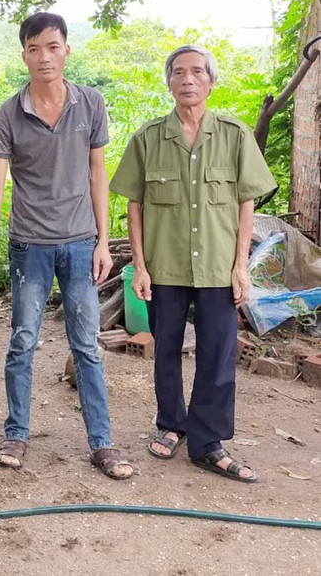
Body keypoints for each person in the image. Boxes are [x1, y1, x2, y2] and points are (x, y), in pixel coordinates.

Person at [0, 12, 132, 480]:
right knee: (22, 341)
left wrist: (101, 241)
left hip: (79, 244)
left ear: (66, 51)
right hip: (28, 246)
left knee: (87, 344)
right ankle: (17, 432)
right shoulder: (8, 114)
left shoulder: (90, 104)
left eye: (52, 47)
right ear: (24, 55)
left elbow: (99, 173)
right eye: (34, 49)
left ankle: (103, 442)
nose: (44, 57)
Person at [110, 44, 276, 483]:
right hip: (164, 268)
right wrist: (140, 267)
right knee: (166, 350)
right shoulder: (148, 138)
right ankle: (170, 424)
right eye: (178, 72)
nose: (187, 79)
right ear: (169, 81)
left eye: (197, 72)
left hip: (219, 269)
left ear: (210, 81)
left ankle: (208, 443)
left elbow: (247, 204)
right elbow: (135, 207)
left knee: (218, 356)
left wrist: (242, 267)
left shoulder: (234, 134)